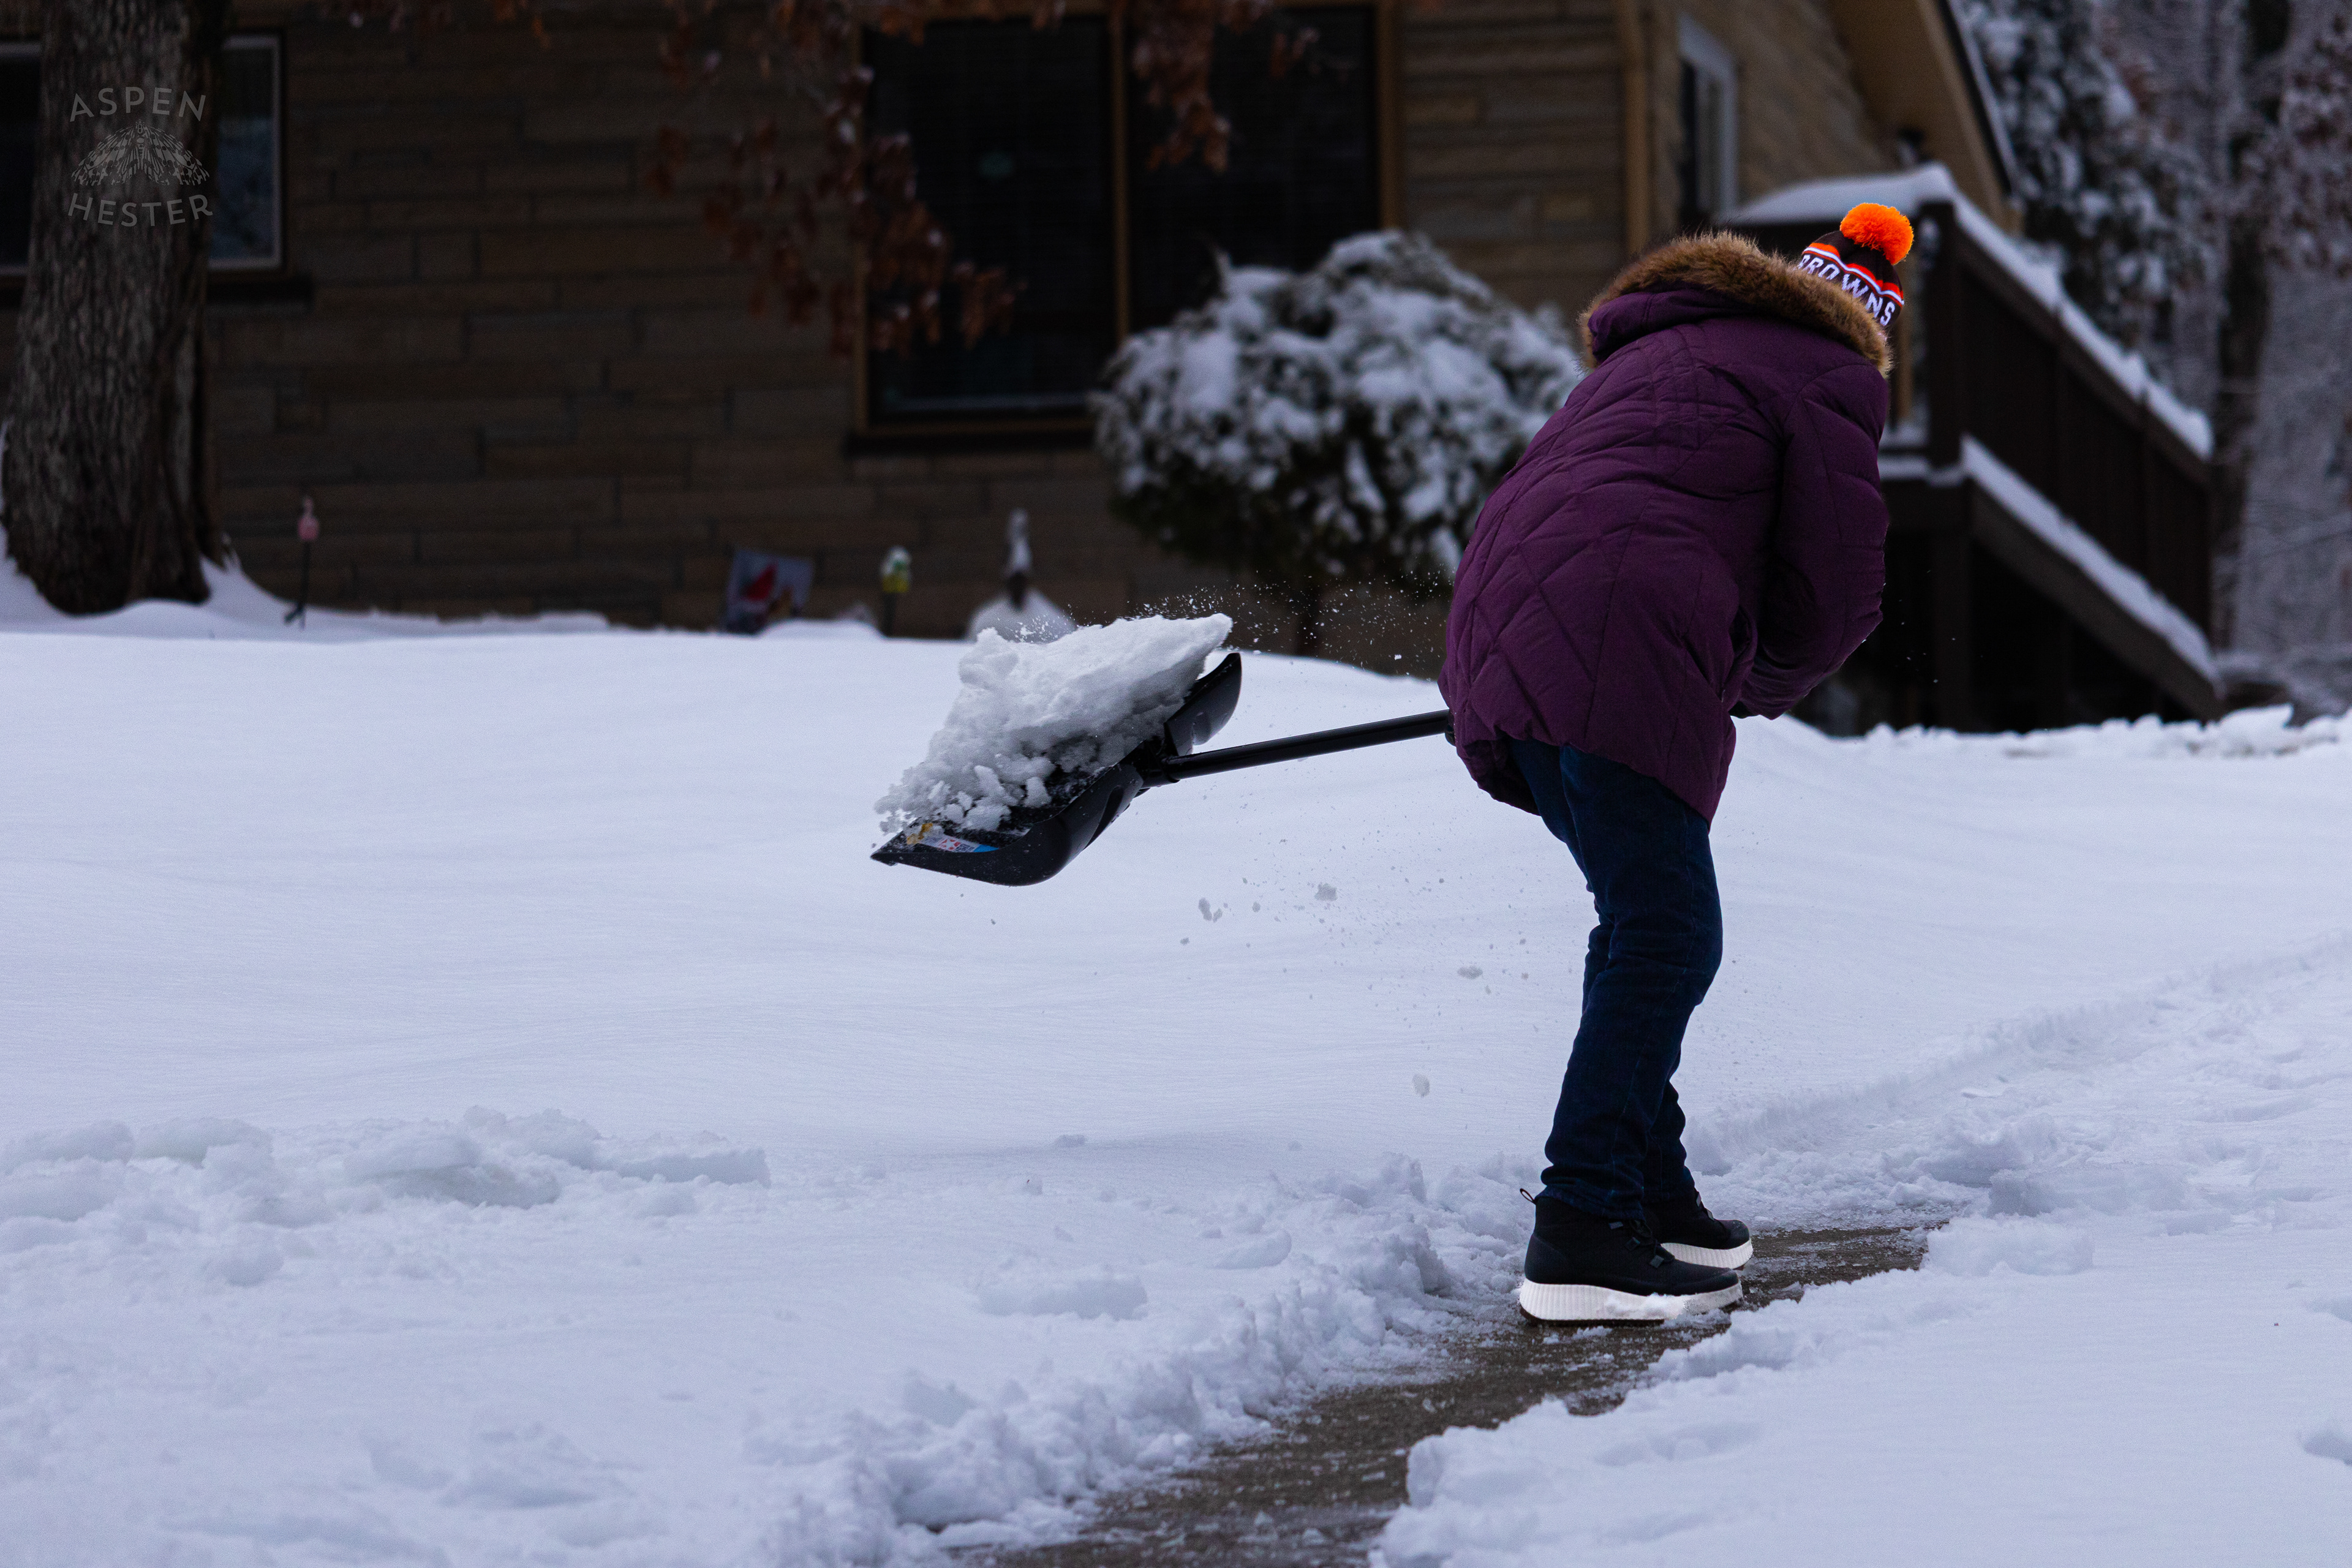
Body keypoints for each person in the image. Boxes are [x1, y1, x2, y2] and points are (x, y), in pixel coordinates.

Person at [1439, 204, 1911, 1322]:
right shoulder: (1828, 373)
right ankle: (1583, 1224)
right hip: (1620, 628)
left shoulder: (1664, 350)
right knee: (1669, 933)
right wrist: (1758, 680)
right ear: (1865, 322)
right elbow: (1839, 591)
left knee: (1638, 917)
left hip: (1506, 627)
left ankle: (1648, 1187)